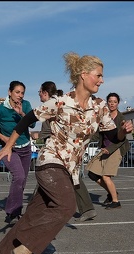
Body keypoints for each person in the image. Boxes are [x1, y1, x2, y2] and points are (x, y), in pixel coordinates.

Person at [0, 52, 133, 254]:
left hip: (71, 169)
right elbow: (28, 119)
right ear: (84, 75)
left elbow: (113, 135)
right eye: (99, 75)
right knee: (66, 207)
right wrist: (8, 146)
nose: (102, 80)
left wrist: (123, 131)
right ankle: (24, 250)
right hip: (51, 162)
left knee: (33, 216)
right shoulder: (60, 102)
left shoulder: (99, 107)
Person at [37, 81, 97, 222]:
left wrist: (39, 136)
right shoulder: (57, 103)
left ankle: (86, 208)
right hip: (61, 147)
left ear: (45, 92)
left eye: (39, 92)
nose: (39, 94)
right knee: (66, 176)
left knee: (58, 175)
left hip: (60, 148)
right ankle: (86, 208)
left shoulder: (54, 104)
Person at [0, 81, 35, 224]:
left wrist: (21, 113)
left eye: (22, 93)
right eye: (17, 92)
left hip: (26, 148)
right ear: (9, 92)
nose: (20, 96)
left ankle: (15, 211)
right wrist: (4, 138)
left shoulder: (26, 105)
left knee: (22, 182)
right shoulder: (1, 110)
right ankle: (12, 212)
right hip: (10, 149)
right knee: (19, 176)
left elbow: (32, 124)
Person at [85, 92, 130, 209]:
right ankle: (112, 192)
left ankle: (116, 202)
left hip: (116, 148)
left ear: (118, 103)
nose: (112, 104)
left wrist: (109, 149)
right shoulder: (103, 115)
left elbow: (121, 139)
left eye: (115, 102)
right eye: (110, 101)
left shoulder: (121, 118)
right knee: (92, 174)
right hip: (105, 148)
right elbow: (98, 134)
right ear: (107, 102)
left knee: (105, 176)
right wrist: (84, 141)